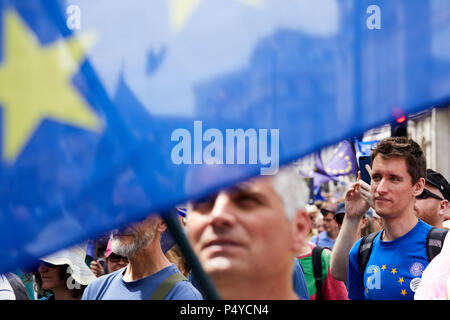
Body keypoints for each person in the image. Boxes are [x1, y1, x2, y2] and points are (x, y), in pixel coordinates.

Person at [344, 137, 448, 300]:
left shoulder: (443, 248)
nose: (381, 188)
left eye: (394, 178)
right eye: (376, 177)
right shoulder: (362, 251)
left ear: (418, 186)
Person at [185, 165, 310, 299]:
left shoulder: (294, 269)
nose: (217, 215)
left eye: (246, 200)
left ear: (298, 228)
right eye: (202, 201)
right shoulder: (197, 276)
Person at [82, 214, 203, 300]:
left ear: (162, 222)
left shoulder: (182, 295)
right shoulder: (96, 288)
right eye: (114, 211)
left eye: (134, 212)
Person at [296, 207, 348, 300]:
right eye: (324, 220)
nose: (324, 224)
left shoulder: (323, 257)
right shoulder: (315, 239)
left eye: (328, 220)